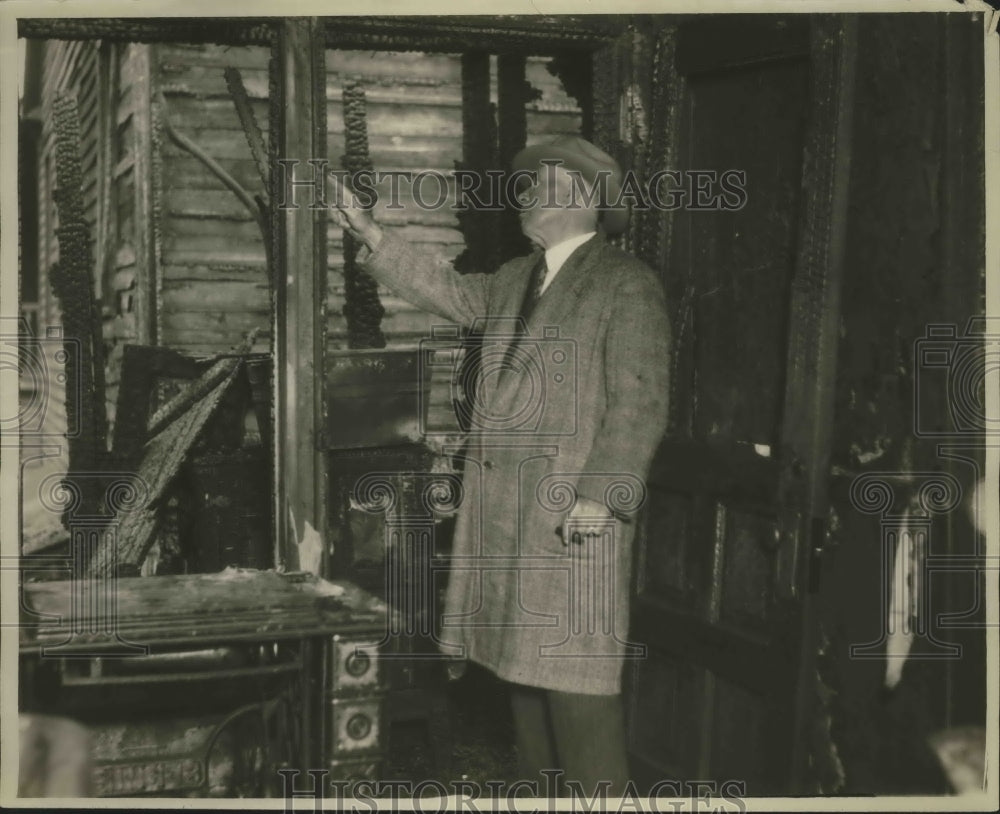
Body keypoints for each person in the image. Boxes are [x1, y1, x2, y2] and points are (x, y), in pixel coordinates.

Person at [329, 136, 671, 796]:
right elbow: (452, 293)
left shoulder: (626, 284)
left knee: (579, 693)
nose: (525, 197)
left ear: (583, 196)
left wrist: (601, 493)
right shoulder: (518, 278)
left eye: (540, 184)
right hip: (513, 522)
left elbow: (642, 399)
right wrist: (372, 233)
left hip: (575, 521)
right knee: (524, 683)